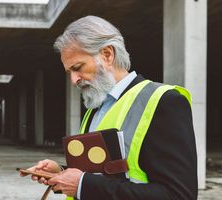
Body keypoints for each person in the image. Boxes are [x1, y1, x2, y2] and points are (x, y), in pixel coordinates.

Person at [21, 15, 198, 200]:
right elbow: (102, 174)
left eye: (78, 67)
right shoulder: (95, 107)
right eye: (69, 72)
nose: (74, 80)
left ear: (107, 55)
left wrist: (82, 184)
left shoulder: (164, 102)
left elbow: (179, 195)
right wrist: (62, 173)